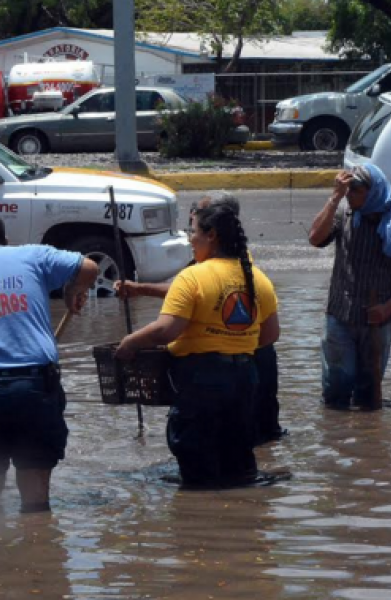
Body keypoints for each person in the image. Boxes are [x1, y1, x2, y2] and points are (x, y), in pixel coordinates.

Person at [114, 197, 282, 489]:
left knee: (197, 466)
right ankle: (245, 517)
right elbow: (270, 335)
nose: (190, 240)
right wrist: (234, 341)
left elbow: (165, 331)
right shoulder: (258, 278)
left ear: (211, 235)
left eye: (193, 232)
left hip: (201, 379)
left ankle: (199, 522)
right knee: (238, 458)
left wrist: (130, 342)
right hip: (245, 377)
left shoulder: (192, 277)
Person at [0, 213, 98, 512]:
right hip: (34, 388)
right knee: (36, 496)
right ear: (5, 241)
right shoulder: (31, 254)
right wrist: (72, 290)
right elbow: (89, 267)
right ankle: (38, 547)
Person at [309, 165, 391, 409]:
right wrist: (334, 197)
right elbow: (315, 238)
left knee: (369, 393)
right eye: (347, 189)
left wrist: (388, 307)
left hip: (378, 320)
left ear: (373, 192)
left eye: (355, 190)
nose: (349, 194)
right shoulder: (344, 213)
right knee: (336, 390)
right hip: (340, 315)